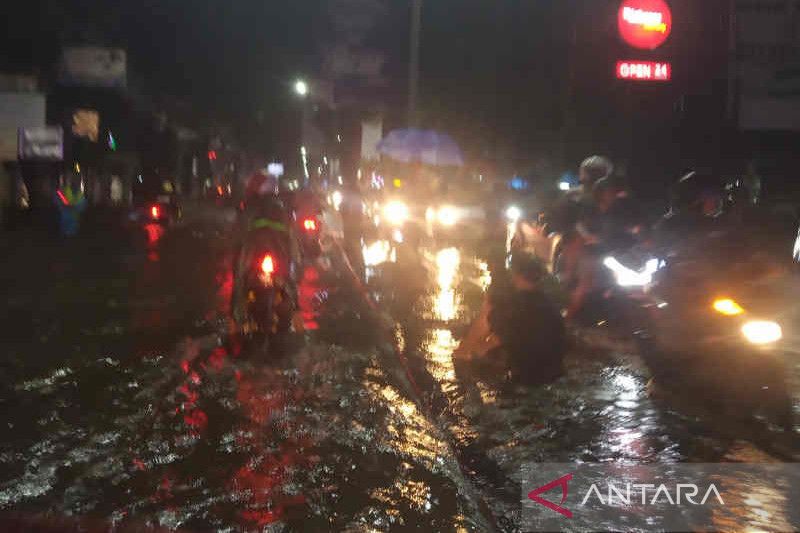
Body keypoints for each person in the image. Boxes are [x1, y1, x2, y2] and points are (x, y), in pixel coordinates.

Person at [455, 253, 566, 386]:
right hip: (555, 376)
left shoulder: (507, 304)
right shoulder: (550, 305)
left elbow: (479, 343)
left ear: (515, 275)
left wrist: (463, 353)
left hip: (525, 380)